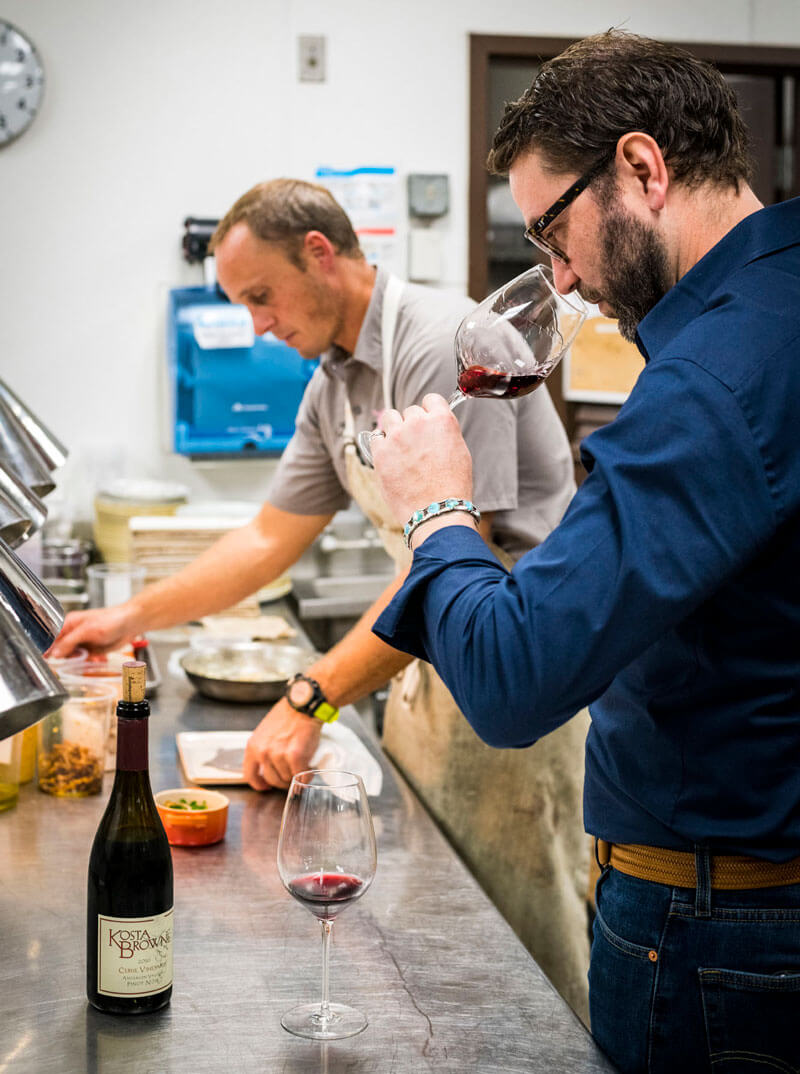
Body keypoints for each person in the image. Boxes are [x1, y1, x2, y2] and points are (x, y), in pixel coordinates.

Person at [50, 179, 593, 1018]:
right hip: (427, 672)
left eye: (260, 297)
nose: (258, 325)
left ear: (319, 253)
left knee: (521, 951)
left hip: (513, 674)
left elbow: (457, 553)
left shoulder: (443, 343)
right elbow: (269, 538)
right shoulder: (334, 378)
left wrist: (314, 694)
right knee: (434, 933)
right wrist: (127, 619)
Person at [369, 31, 800, 1074]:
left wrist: (436, 511)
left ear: (641, 169)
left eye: (552, 235)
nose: (558, 279)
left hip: (716, 928)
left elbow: (516, 683)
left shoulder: (708, 379)